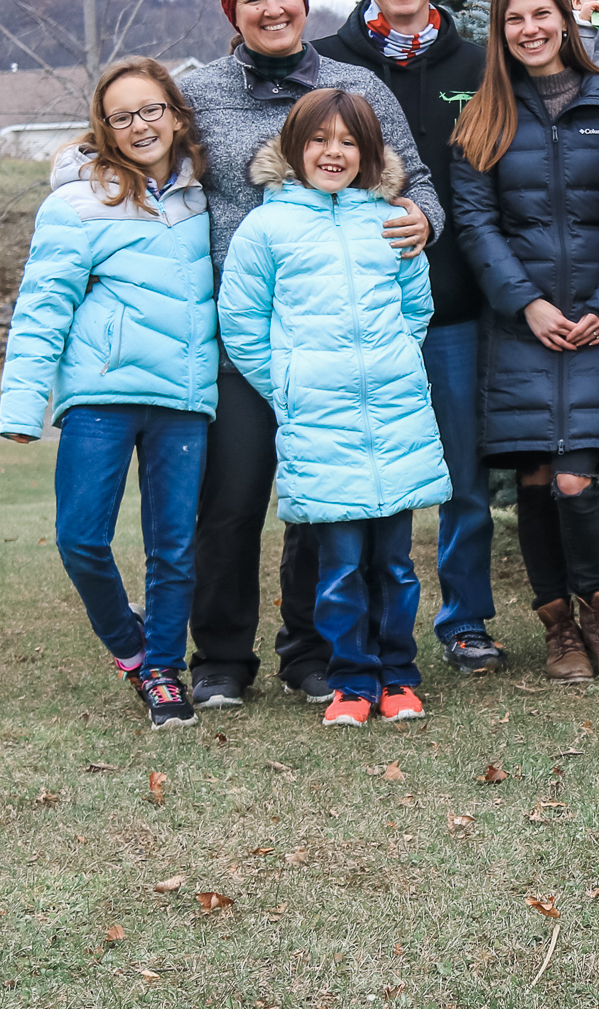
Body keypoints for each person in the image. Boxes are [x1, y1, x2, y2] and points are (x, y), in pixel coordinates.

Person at [181, 0, 441, 711]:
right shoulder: (199, 92)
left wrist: (421, 221)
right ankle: (221, 656)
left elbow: (416, 179)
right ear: (233, 12)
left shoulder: (355, 86)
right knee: (232, 501)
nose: (272, 9)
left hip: (338, 339)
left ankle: (312, 651)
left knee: (326, 504)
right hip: (246, 337)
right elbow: (145, 158)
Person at [217, 89, 453, 727]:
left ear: (368, 152)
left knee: (396, 565)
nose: (334, 152)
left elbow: (416, 307)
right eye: (319, 140)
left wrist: (392, 360)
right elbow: (241, 320)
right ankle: (351, 679)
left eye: (349, 141)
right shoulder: (266, 227)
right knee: (341, 566)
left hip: (394, 416)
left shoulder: (390, 219)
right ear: (294, 149)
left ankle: (399, 674)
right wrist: (288, 385)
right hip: (318, 421)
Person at [0, 57, 217, 729]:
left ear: (175, 114)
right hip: (101, 395)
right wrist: (21, 405)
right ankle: (131, 647)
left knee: (173, 548)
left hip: (184, 397)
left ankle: (164, 672)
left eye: (151, 109)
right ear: (105, 127)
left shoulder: (205, 198)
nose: (140, 125)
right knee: (80, 538)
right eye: (122, 116)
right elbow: (42, 308)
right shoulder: (75, 204)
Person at [311, 0, 501, 676]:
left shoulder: (478, 64)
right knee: (351, 479)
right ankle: (350, 632)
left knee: (463, 477)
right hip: (353, 317)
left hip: (452, 308)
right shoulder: (327, 62)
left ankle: (465, 619)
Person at [451, 0, 599, 683]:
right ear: (499, 31)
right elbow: (475, 222)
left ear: (565, 18)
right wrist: (526, 303)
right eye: (514, 19)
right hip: (520, 325)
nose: (529, 29)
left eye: (541, 14)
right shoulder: (484, 116)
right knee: (536, 477)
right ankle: (559, 629)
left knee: (574, 479)